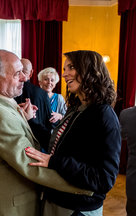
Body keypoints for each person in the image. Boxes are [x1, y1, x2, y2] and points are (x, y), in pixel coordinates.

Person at [0, 49, 93, 216]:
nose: (24, 78)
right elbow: (31, 164)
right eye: (17, 74)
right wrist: (85, 185)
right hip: (7, 207)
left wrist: (21, 116)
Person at [25, 50, 121, 215]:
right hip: (58, 200)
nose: (64, 74)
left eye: (71, 68)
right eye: (64, 69)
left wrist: (55, 162)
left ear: (90, 70)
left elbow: (104, 179)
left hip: (78, 208)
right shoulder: (76, 108)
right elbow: (55, 142)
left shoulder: (103, 115)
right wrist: (30, 120)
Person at [14, 58, 53, 150]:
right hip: (38, 142)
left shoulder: (10, 92)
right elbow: (49, 121)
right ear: (31, 73)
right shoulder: (43, 94)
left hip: (16, 142)